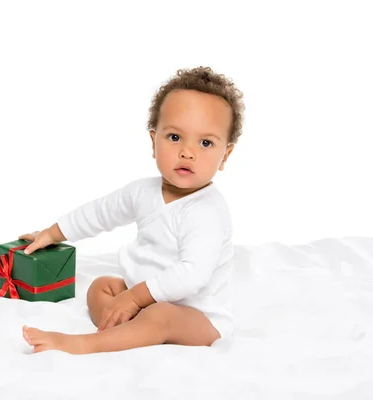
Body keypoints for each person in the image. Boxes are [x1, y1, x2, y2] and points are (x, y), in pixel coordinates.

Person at [19, 66, 245, 354]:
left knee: (162, 315)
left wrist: (136, 298)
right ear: (154, 142)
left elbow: (192, 275)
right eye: (175, 137)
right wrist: (52, 233)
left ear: (224, 155)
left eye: (205, 143)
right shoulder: (142, 191)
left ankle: (86, 343)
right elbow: (100, 213)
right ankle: (129, 333)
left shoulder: (208, 212)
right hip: (145, 300)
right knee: (102, 287)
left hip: (196, 317)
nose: (188, 152)